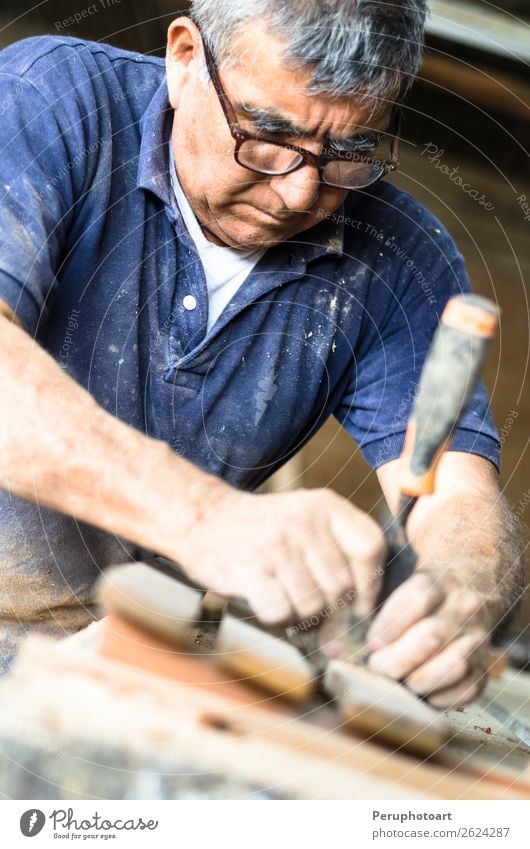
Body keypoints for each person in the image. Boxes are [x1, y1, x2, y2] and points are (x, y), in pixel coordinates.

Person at [0, 0, 523, 704]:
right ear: (185, 58)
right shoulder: (53, 98)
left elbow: (457, 493)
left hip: (114, 658)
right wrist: (206, 518)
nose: (299, 191)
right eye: (268, 133)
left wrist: (461, 590)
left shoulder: (403, 256)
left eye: (350, 151)